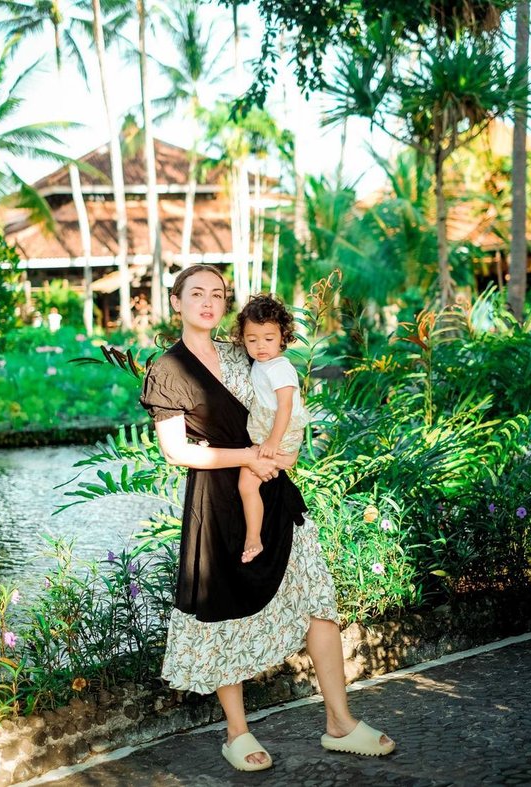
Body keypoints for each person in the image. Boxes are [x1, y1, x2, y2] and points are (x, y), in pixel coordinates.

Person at [140, 264, 395, 773]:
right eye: (197, 293)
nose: (208, 302)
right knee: (223, 613)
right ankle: (237, 732)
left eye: (218, 294)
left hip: (273, 491)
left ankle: (340, 722)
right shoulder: (167, 369)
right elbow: (176, 451)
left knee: (318, 597)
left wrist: (280, 452)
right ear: (176, 302)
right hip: (218, 502)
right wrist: (248, 456)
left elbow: (284, 405)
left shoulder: (246, 351)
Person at [234, 294, 310, 564]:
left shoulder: (279, 367)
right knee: (247, 484)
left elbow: (286, 407)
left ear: (283, 337)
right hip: (270, 432)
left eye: (268, 338)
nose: (260, 346)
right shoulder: (262, 363)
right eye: (252, 339)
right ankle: (254, 537)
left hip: (280, 432)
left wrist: (274, 444)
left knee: (246, 483)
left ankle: (253, 538)